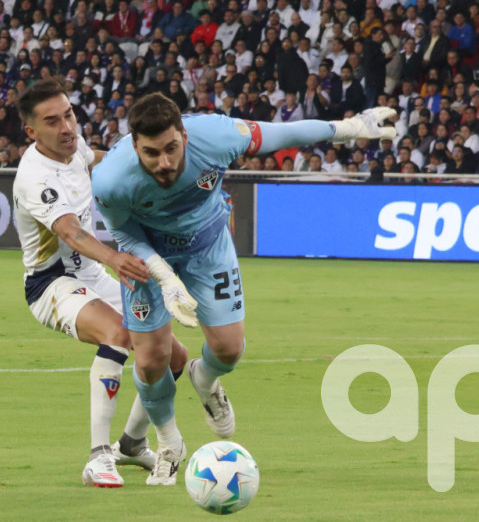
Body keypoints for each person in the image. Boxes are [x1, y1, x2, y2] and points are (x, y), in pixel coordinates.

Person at [91, 92, 396, 485]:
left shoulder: (216, 135)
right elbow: (122, 232)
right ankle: (169, 444)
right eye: (152, 153)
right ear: (135, 146)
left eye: (171, 148)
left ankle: (204, 379)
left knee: (228, 350)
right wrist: (164, 275)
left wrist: (350, 128)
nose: (164, 162)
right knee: (151, 360)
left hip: (208, 248)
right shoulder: (111, 179)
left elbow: (283, 133)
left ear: (184, 134)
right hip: (148, 261)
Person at [12, 79, 187, 488]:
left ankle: (132, 443)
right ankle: (97, 455)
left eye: (69, 115)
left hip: (91, 276)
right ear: (32, 132)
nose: (67, 127)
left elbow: (100, 161)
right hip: (51, 284)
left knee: (171, 355)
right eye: (52, 121)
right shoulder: (35, 177)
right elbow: (71, 233)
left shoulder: (75, 148)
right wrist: (118, 259)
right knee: (120, 332)